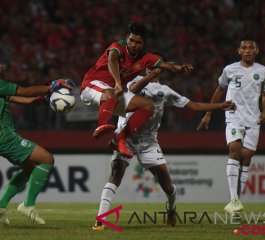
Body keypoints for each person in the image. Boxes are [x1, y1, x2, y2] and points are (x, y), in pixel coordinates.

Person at [93, 69, 235, 230]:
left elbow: (193, 106)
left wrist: (220, 105)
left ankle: (171, 209)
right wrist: (149, 76)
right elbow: (132, 90)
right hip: (125, 138)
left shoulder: (165, 91)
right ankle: (100, 220)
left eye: (154, 66)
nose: (151, 68)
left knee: (167, 186)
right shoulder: (135, 82)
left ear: (161, 69)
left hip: (148, 143)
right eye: (148, 65)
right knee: (115, 176)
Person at [0, 48, 73, 226]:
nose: (0, 65)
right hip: (4, 136)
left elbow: (18, 98)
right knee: (47, 159)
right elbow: (23, 91)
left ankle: (1, 205)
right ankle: (28, 205)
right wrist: (52, 86)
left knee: (29, 169)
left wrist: (42, 99)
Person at [80, 22, 193, 158]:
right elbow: (112, 61)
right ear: (127, 38)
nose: (133, 44)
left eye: (138, 42)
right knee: (112, 94)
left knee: (147, 105)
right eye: (131, 40)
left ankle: (119, 139)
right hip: (91, 87)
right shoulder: (117, 46)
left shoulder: (146, 58)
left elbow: (168, 67)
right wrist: (117, 82)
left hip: (112, 96)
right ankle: (102, 125)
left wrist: (182, 68)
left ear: (143, 44)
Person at [197, 39, 265, 214]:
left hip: (253, 120)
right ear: (239, 51)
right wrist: (208, 114)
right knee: (235, 149)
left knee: (247, 157)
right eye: (244, 48)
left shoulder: (263, 71)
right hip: (233, 116)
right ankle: (234, 200)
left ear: (256, 50)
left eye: (251, 47)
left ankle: (237, 200)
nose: (247, 50)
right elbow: (219, 91)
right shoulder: (229, 70)